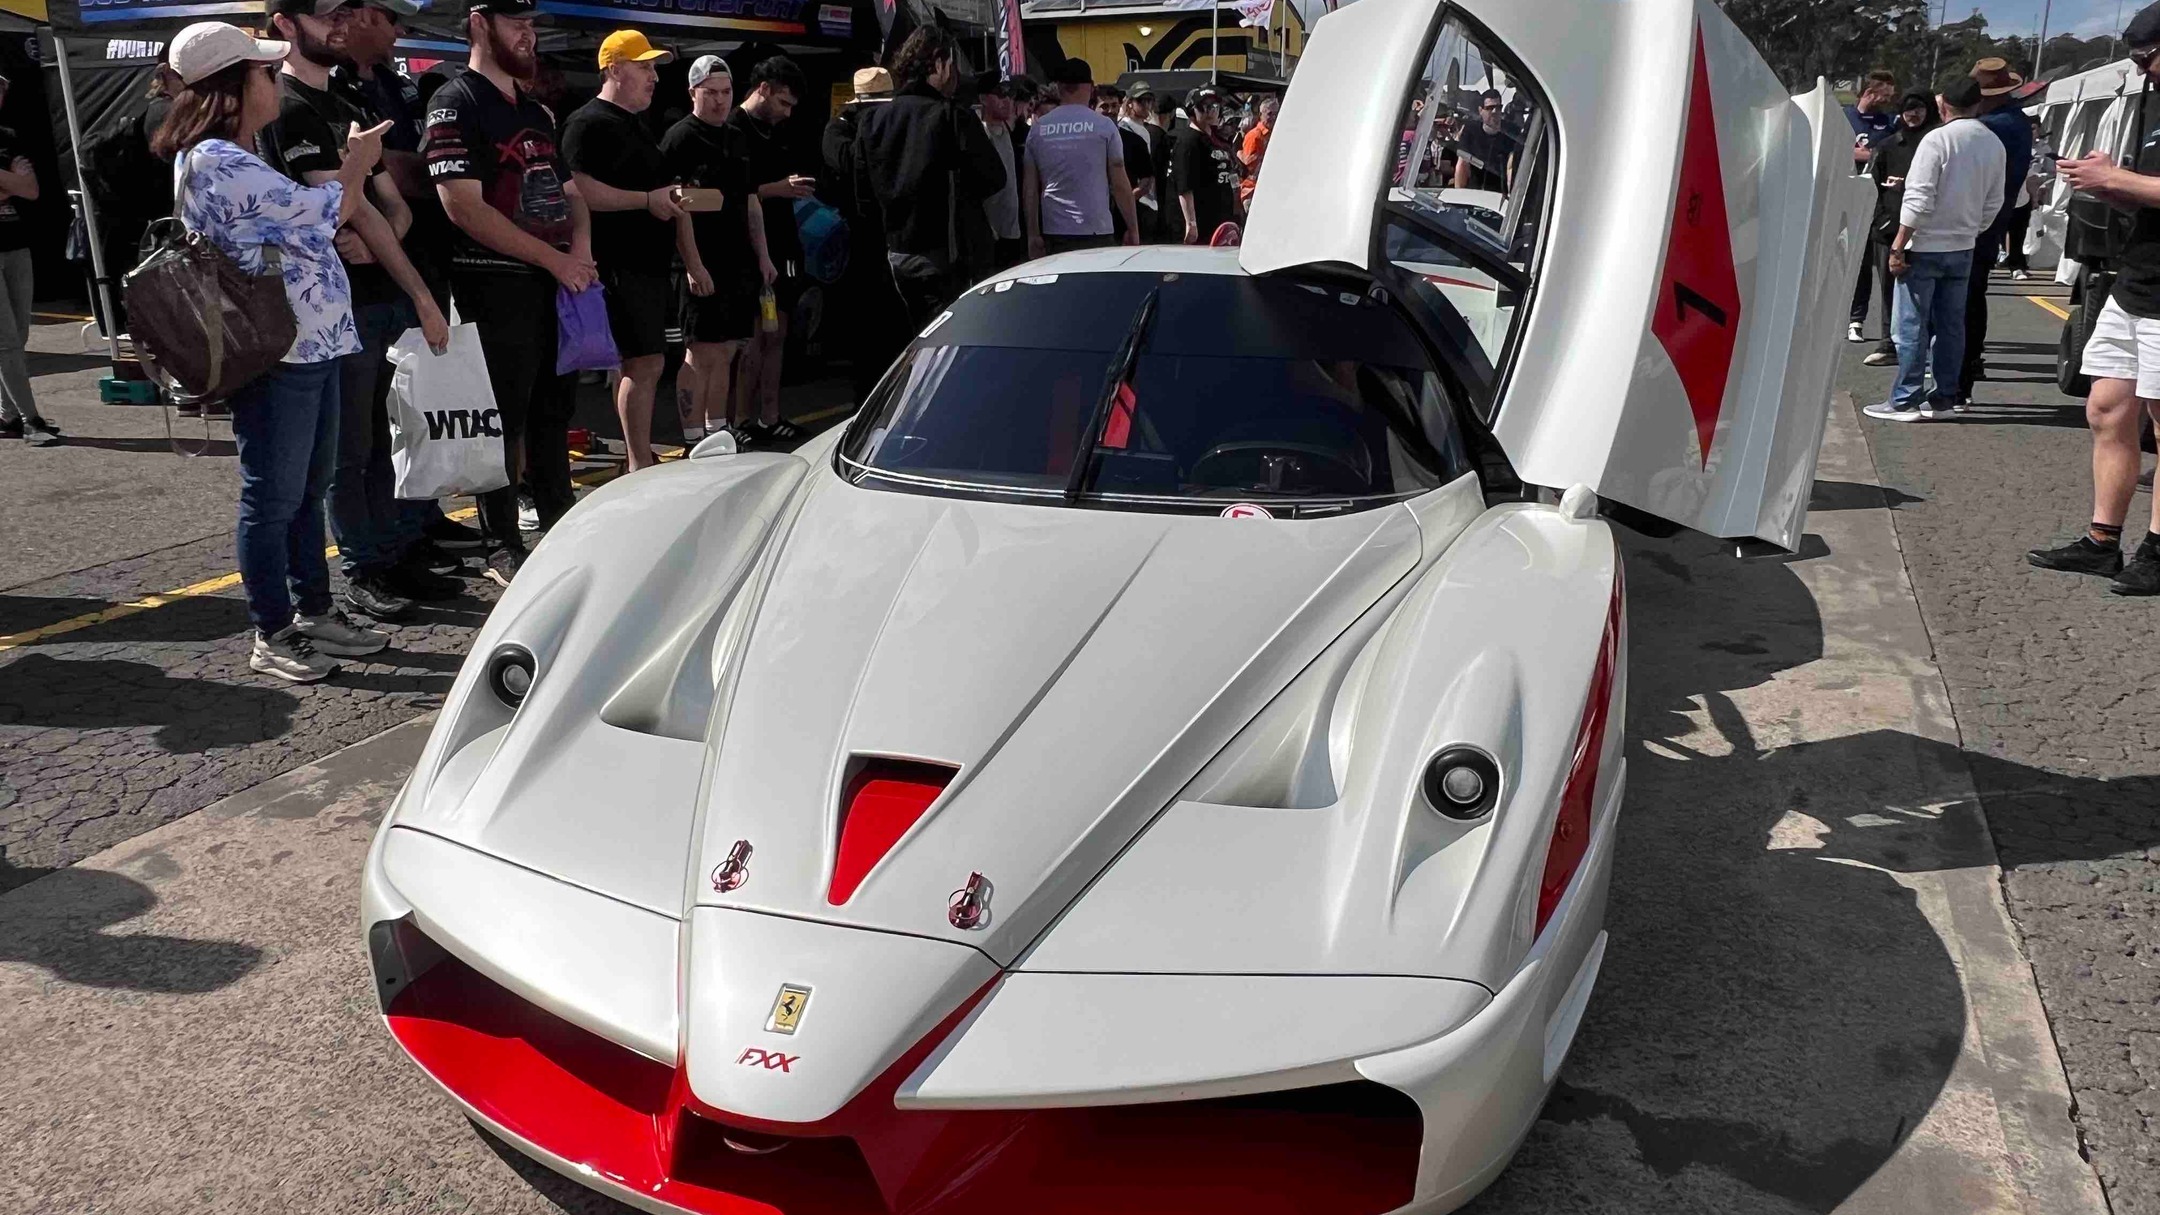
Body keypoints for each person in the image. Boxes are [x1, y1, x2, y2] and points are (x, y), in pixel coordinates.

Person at [153, 21, 395, 680]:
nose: (273, 82)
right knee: (273, 497)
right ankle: (273, 629)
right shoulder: (217, 161)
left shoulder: (234, 154)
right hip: (275, 352)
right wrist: (356, 167)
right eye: (263, 72)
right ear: (231, 89)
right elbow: (324, 211)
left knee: (304, 489)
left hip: (301, 343)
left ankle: (311, 612)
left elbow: (305, 221)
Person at [260, 0, 456, 621]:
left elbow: (388, 206)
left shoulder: (346, 101)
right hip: (326, 311)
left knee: (381, 439)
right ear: (286, 25)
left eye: (347, 12)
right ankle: (363, 569)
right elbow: (333, 210)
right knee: (346, 450)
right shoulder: (287, 109)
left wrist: (384, 246)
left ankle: (393, 552)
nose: (341, 24)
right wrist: (359, 201)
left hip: (376, 298)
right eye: (326, 15)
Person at [422, 0, 595, 586]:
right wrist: (556, 258)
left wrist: (581, 253)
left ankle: (559, 522)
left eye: (530, 25)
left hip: (555, 286)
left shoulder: (539, 113)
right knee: (503, 421)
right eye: (515, 24)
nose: (528, 36)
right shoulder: (453, 102)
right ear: (479, 22)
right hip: (493, 286)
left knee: (554, 414)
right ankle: (502, 543)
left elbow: (571, 194)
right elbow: (461, 207)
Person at [2029, 3, 2160, 593]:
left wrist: (2119, 182)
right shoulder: (2151, 99)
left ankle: (2157, 552)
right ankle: (2102, 541)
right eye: (2134, 60)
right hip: (2137, 277)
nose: (2142, 70)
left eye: (2147, 58)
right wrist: (2114, 182)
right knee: (2105, 408)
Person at [561, 30, 686, 472]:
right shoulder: (589, 122)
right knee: (644, 361)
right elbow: (578, 189)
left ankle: (639, 454)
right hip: (617, 264)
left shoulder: (635, 123)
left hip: (646, 262)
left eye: (654, 67)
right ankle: (637, 460)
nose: (654, 76)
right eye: (644, 66)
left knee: (645, 361)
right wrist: (645, 200)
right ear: (614, 69)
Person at [1864, 79, 2003, 424]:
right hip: (1963, 244)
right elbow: (1996, 199)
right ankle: (1943, 397)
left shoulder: (1937, 139)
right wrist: (1973, 228)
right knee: (1951, 325)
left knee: (1910, 325)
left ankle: (1905, 399)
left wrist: (1899, 242)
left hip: (1924, 244)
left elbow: (1918, 197)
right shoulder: (1993, 142)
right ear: (1977, 105)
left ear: (1943, 107)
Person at [857, 28, 1008, 323]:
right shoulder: (952, 116)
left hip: (894, 254)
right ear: (939, 65)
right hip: (948, 255)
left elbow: (863, 195)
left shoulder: (872, 120)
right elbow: (993, 177)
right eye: (952, 66)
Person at [663, 54, 776, 446]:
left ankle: (717, 429)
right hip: (699, 259)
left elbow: (750, 201)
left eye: (726, 92)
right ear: (693, 92)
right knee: (700, 351)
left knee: (728, 349)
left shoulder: (737, 137)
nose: (719, 100)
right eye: (710, 92)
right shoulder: (680, 138)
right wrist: (694, 265)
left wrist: (763, 256)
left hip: (737, 260)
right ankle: (693, 435)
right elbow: (679, 207)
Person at [730, 54, 813, 446]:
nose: (787, 112)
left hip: (784, 241)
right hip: (747, 246)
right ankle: (741, 419)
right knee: (753, 336)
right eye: (783, 102)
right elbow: (736, 194)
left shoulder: (778, 130)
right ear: (762, 89)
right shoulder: (733, 128)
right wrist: (776, 188)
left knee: (776, 331)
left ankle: (770, 415)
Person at [1955, 57, 2039, 405]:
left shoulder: (1991, 125)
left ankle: (1961, 375)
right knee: (1972, 296)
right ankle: (1969, 365)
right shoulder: (2015, 120)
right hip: (1993, 218)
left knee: (1963, 300)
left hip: (1976, 220)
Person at [1021, 58, 1137, 258]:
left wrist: (1033, 234)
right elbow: (1119, 182)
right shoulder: (1104, 126)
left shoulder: (1038, 130)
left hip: (1055, 230)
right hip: (1096, 229)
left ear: (1059, 88)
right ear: (1091, 88)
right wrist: (1132, 227)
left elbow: (1030, 188)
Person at [1859, 91, 1938, 368]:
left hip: (1928, 232)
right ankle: (1888, 344)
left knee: (1926, 294)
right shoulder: (1888, 145)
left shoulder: (1938, 143)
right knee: (1889, 290)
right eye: (1907, 109)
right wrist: (1880, 220)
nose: (1913, 115)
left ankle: (1926, 349)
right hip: (1888, 230)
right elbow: (1869, 186)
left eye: (1919, 109)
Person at [0, 75, 53, 447]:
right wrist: (11, 182)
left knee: (19, 334)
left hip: (16, 243)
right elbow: (19, 185)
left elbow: (31, 191)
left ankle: (6, 415)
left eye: (2, 89)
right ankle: (30, 419)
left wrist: (11, 185)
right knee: (6, 341)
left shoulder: (7, 135)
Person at [1846, 69, 1900, 343]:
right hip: (1848, 197)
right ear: (1870, 93)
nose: (1889, 101)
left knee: (1883, 264)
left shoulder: (1889, 122)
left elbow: (1894, 152)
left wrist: (1869, 155)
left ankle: (1889, 328)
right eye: (1885, 95)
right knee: (1856, 264)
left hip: (1880, 202)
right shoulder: (1845, 117)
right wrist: (1863, 153)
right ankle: (1855, 319)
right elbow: (1838, 147)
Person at [1173, 85, 1239, 243]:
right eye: (1205, 107)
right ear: (1192, 111)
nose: (1211, 112)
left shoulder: (1214, 139)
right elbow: (1184, 186)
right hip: (1201, 222)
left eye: (1215, 107)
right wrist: (1191, 223)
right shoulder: (1188, 141)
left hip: (1220, 218)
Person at [1093, 82, 1154, 246]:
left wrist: (1128, 200)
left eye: (1114, 105)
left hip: (1125, 219)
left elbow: (1147, 179)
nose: (1111, 111)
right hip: (1092, 221)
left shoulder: (1135, 141)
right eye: (1104, 106)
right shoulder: (1085, 142)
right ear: (1093, 108)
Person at [976, 73, 1024, 266]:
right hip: (991, 234)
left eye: (1009, 94)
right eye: (1000, 93)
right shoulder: (979, 134)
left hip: (1013, 230)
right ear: (983, 99)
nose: (1007, 100)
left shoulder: (1007, 130)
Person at [1121, 88, 1169, 243]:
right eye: (1141, 101)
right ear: (1129, 103)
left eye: (1149, 100)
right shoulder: (1124, 127)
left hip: (1148, 197)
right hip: (1135, 197)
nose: (1146, 105)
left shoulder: (1146, 130)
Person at [1452, 88, 1514, 194]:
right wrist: (1459, 195)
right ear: (1480, 110)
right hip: (1475, 193)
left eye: (1498, 107)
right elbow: (1462, 164)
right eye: (1490, 108)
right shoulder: (1471, 130)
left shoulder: (1510, 132)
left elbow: (1511, 167)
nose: (1495, 111)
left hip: (1499, 194)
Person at [1237, 92, 1276, 211]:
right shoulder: (1254, 136)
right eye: (1269, 114)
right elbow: (1248, 164)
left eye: (1276, 114)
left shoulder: (1274, 134)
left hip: (1266, 189)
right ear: (1260, 114)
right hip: (1252, 191)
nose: (1273, 117)